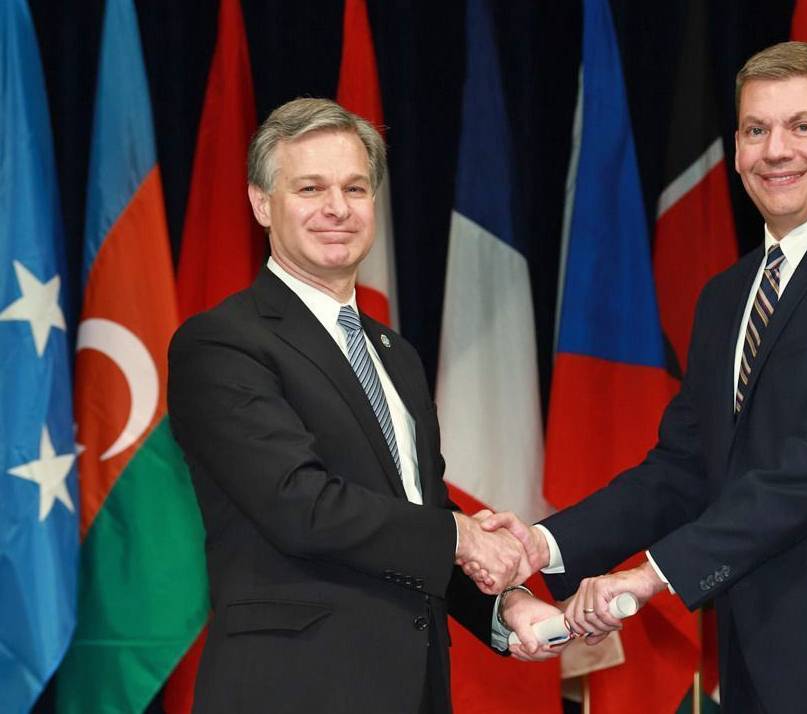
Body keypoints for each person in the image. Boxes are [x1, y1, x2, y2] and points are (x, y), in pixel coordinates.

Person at [479, 42, 807, 713]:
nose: (776, 150)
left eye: (802, 127)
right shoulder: (726, 297)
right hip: (759, 670)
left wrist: (652, 576)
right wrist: (540, 544)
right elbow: (683, 470)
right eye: (755, 130)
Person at [167, 98, 559, 714]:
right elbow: (301, 504)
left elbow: (412, 516)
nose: (337, 209)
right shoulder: (223, 342)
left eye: (355, 187)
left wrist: (503, 605)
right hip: (290, 692)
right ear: (261, 203)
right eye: (310, 188)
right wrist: (458, 535)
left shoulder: (394, 354)